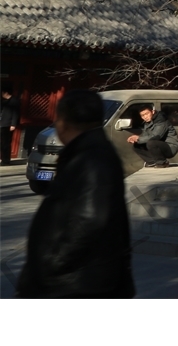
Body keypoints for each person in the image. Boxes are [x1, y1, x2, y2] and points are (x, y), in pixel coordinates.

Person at [17, 89, 134, 298]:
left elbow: (90, 219)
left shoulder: (93, 159)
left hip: (78, 283)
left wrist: (53, 261)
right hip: (77, 279)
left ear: (63, 122)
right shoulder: (86, 152)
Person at [0, 83, 18, 165]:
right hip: (1, 123)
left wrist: (13, 124)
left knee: (6, 143)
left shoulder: (14, 101)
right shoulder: (3, 101)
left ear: (6, 92)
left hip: (7, 124)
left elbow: (16, 113)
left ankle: (6, 160)